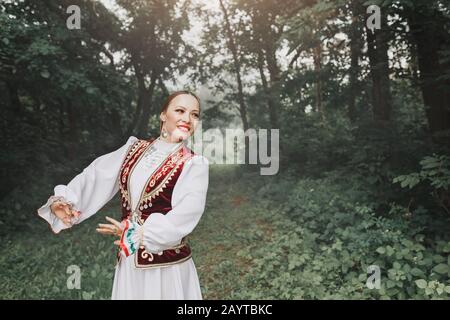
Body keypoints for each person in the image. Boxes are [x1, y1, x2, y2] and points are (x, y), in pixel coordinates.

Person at [37, 90, 209, 300]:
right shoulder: (133, 149)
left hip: (166, 267)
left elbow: (188, 212)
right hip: (129, 261)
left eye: (195, 114)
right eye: (180, 110)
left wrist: (140, 233)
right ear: (163, 115)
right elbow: (97, 175)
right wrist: (66, 201)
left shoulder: (193, 163)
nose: (187, 119)